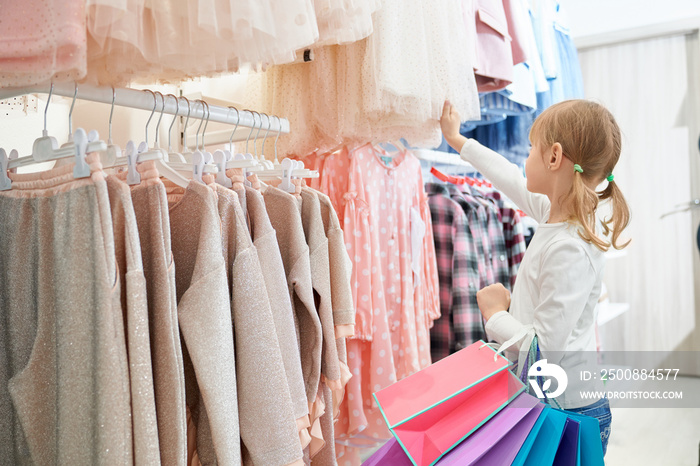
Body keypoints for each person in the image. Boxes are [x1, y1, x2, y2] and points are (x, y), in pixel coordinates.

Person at [440, 99, 631, 456]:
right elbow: (509, 176)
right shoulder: (553, 215)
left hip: (568, 410)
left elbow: (545, 354)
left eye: (531, 149)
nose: (524, 158)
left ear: (554, 157)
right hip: (554, 401)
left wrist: (496, 315)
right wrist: (460, 142)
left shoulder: (569, 246)